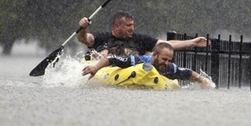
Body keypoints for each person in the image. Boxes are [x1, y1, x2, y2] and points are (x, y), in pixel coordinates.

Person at [82, 42, 214, 89]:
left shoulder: (169, 67)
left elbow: (187, 72)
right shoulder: (137, 60)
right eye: (164, 59)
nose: (166, 63)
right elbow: (112, 59)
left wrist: (203, 81)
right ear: (155, 55)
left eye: (169, 60)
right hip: (119, 74)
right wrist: (95, 68)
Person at [77, 11, 209, 57]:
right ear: (117, 26)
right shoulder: (102, 37)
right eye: (129, 26)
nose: (132, 28)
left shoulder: (140, 39)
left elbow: (165, 45)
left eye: (133, 25)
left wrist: (192, 42)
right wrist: (83, 28)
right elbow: (84, 39)